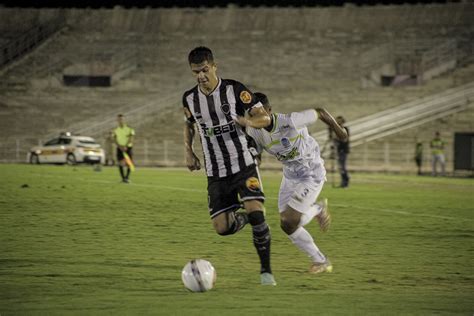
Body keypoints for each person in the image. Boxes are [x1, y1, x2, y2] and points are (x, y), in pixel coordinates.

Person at [182, 47, 276, 285]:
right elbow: (189, 124)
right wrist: (188, 151)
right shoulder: (189, 99)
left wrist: (248, 121)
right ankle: (242, 218)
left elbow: (265, 117)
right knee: (222, 228)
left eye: (204, 70)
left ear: (214, 66)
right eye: (196, 72)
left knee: (257, 212)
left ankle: (266, 272)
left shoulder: (235, 90)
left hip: (243, 163)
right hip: (215, 171)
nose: (201, 76)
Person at [244, 92, 347, 274]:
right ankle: (319, 260)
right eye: (250, 115)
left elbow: (320, 112)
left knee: (290, 219)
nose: (254, 118)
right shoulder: (253, 131)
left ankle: (316, 209)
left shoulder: (290, 121)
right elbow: (257, 156)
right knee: (287, 225)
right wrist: (252, 158)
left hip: (311, 173)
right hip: (290, 176)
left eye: (258, 113)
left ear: (268, 111)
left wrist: (340, 131)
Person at [113, 114, 135, 183]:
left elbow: (131, 138)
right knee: (120, 163)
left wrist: (126, 146)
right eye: (119, 119)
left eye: (122, 119)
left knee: (129, 163)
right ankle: (123, 178)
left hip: (128, 148)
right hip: (120, 148)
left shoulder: (129, 128)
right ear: (117, 120)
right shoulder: (116, 130)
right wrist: (120, 147)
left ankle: (127, 177)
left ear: (124, 120)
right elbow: (115, 139)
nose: (120, 120)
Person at [334, 116, 350, 188]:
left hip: (343, 150)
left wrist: (337, 139)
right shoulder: (336, 129)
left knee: (342, 167)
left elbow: (345, 139)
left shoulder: (344, 129)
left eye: (339, 121)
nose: (338, 122)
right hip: (339, 150)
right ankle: (343, 182)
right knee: (341, 167)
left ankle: (345, 181)